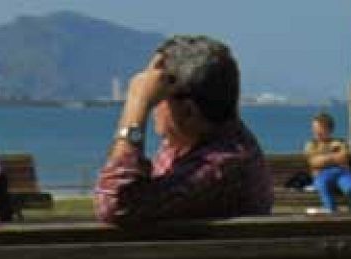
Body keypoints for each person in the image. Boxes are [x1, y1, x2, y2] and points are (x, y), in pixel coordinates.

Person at [95, 35, 272, 225]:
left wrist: (136, 106)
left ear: (188, 111)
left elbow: (115, 204)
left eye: (156, 99)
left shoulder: (221, 165)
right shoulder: (212, 145)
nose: (153, 108)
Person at [303, 112, 351, 213]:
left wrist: (324, 158)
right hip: (322, 175)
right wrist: (333, 157)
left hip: (342, 173)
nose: (315, 131)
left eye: (318, 128)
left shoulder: (339, 142)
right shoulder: (311, 144)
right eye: (314, 128)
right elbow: (314, 162)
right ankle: (330, 209)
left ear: (328, 129)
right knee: (321, 185)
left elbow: (344, 158)